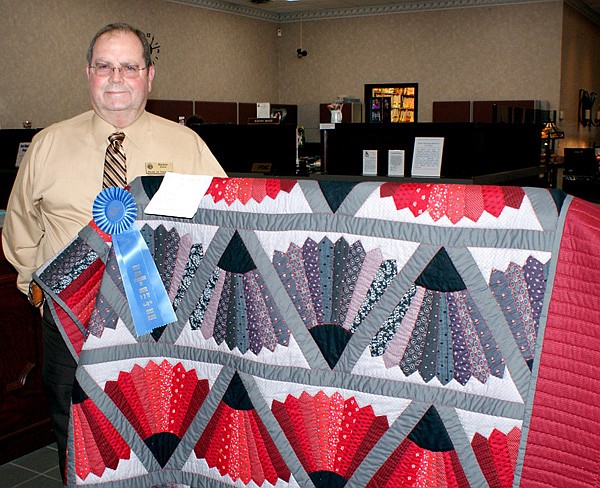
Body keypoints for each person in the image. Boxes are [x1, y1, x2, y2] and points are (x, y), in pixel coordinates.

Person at [1, 22, 226, 480]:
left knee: (162, 436)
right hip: (70, 326)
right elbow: (20, 229)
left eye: (129, 66)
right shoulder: (47, 145)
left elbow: (224, 225)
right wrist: (39, 292)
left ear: (149, 75)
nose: (116, 79)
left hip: (159, 324)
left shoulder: (186, 147)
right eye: (104, 66)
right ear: (88, 73)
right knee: (76, 436)